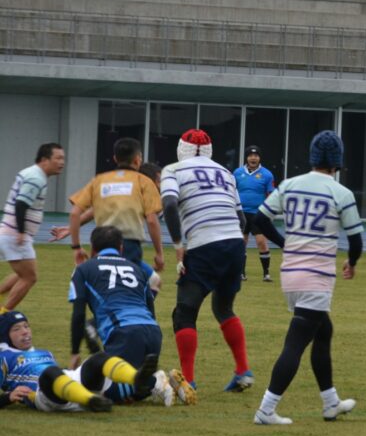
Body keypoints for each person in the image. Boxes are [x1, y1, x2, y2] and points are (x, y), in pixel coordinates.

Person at [252, 131, 363, 425]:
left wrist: (285, 242)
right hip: (317, 276)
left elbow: (259, 220)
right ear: (338, 161)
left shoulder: (290, 184)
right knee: (296, 343)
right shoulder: (342, 193)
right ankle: (266, 409)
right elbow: (356, 240)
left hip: (290, 274)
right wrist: (352, 263)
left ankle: (330, 402)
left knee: (323, 331)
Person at [161, 128, 252, 396]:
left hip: (204, 244)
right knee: (223, 308)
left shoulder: (173, 170)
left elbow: (169, 205)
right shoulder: (225, 172)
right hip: (234, 244)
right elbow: (242, 220)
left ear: (181, 149)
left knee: (184, 312)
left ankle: (188, 380)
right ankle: (243, 370)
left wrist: (178, 245)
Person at [68, 225, 192, 406]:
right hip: (152, 332)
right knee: (130, 387)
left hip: (123, 334)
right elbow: (150, 306)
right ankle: (156, 381)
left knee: (99, 389)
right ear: (121, 248)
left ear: (93, 248)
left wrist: (74, 352)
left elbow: (79, 313)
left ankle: (155, 381)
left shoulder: (84, 270)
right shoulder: (137, 269)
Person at [0, 310, 159, 413]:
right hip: (42, 395)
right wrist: (8, 397)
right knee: (50, 373)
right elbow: (48, 376)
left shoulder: (44, 352)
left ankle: (136, 377)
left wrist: (71, 370)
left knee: (99, 358)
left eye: (26, 326)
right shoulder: (4, 356)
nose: (25, 331)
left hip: (66, 383)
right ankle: (91, 400)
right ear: (6, 336)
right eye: (17, 329)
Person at [67, 137, 164, 272]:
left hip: (100, 242)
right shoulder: (143, 182)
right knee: (134, 280)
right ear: (137, 159)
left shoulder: (99, 180)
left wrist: (76, 247)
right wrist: (159, 253)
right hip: (128, 243)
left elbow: (74, 213)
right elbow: (152, 220)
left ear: (115, 158)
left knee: (101, 278)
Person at [0, 143, 66, 313]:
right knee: (29, 277)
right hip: (14, 234)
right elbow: (21, 204)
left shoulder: (31, 173)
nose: (62, 162)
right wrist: (21, 232)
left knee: (22, 274)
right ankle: (3, 314)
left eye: (63, 158)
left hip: (9, 232)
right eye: (58, 158)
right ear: (44, 160)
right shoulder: (36, 178)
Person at [234, 145, 276, 282]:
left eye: (256, 155)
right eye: (250, 155)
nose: (253, 158)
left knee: (261, 242)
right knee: (242, 242)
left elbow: (271, 194)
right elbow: (231, 191)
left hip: (258, 214)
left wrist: (270, 212)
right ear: (246, 158)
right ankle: (241, 273)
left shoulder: (267, 174)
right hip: (241, 213)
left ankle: (266, 274)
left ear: (259, 158)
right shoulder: (237, 173)